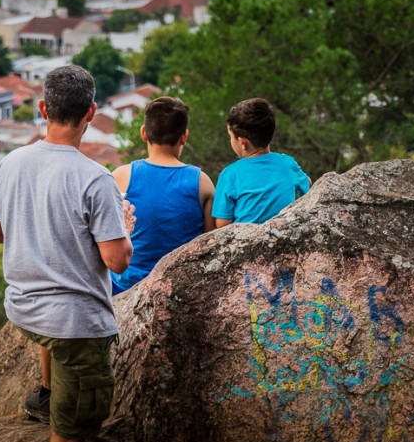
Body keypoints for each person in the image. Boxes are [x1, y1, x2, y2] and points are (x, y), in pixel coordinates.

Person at [0, 65, 134, 442]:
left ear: (43, 108)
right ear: (92, 112)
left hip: (23, 308)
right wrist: (125, 227)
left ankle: (48, 396)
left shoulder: (10, 163)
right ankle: (60, 415)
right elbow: (117, 261)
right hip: (73, 325)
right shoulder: (96, 179)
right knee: (71, 437)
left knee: (55, 334)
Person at [108, 96, 215, 294]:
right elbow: (209, 245)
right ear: (184, 136)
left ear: (143, 133)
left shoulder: (120, 176)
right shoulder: (202, 182)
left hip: (126, 287)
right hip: (180, 287)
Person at [212, 97, 311, 228]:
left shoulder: (230, 174)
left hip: (245, 243)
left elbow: (222, 224)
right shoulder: (287, 164)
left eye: (230, 136)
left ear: (242, 142)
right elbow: (308, 183)